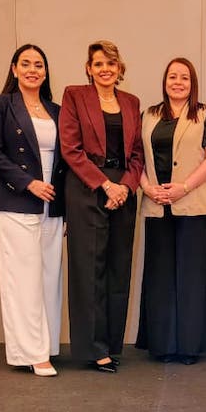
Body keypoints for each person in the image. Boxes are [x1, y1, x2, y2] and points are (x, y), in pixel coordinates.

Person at [0, 44, 66, 377]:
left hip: (52, 202)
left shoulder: (57, 110)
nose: (32, 70)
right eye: (25, 64)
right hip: (14, 199)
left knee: (49, 277)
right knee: (23, 278)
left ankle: (46, 345)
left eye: (39, 65)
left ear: (46, 72)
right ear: (14, 69)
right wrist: (29, 183)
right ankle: (30, 353)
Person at [59, 40, 143, 373]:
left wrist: (125, 186)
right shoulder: (74, 96)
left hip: (123, 190)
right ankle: (93, 349)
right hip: (86, 187)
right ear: (89, 68)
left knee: (119, 268)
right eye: (98, 64)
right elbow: (70, 148)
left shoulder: (131, 102)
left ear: (119, 68)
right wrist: (105, 184)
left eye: (110, 63)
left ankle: (110, 344)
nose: (105, 69)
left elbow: (137, 154)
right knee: (89, 269)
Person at [135, 58, 206, 365]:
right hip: (157, 205)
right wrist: (147, 188)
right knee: (160, 278)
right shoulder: (148, 115)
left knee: (192, 278)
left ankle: (189, 347)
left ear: (192, 83)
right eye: (172, 77)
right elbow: (136, 158)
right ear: (164, 81)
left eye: (184, 78)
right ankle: (163, 346)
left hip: (194, 206)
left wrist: (183, 187)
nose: (177, 82)